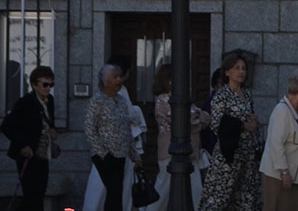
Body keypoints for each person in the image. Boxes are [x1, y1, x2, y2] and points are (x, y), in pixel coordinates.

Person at [199, 53, 261, 211]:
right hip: (229, 155)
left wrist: (254, 121)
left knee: (246, 198)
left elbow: (249, 117)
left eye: (243, 68)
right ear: (227, 72)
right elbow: (216, 124)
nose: (241, 72)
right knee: (219, 198)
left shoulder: (246, 94)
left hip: (247, 154)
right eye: (237, 68)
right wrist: (242, 125)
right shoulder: (222, 96)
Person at [144, 63, 210, 211]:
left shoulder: (186, 100)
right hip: (170, 153)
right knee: (162, 193)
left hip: (191, 153)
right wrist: (195, 117)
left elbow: (205, 118)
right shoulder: (162, 100)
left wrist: (195, 117)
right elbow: (183, 119)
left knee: (197, 193)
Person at [82, 55, 143, 211]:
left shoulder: (121, 100)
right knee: (113, 189)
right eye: (115, 77)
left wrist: (134, 155)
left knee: (116, 192)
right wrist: (102, 153)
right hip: (105, 155)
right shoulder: (97, 101)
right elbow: (90, 128)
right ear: (105, 81)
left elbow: (126, 129)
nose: (119, 80)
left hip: (121, 154)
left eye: (119, 76)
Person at [1, 65, 58, 211]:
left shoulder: (50, 101)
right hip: (28, 155)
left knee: (39, 192)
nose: (48, 88)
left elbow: (48, 121)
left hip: (43, 154)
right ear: (34, 85)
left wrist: (52, 129)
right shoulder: (25, 102)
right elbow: (7, 126)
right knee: (32, 195)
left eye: (51, 85)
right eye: (45, 84)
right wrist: (23, 145)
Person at [260, 70, 298, 211]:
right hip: (278, 176)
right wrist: (284, 172)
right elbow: (276, 144)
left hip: (297, 176)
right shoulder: (281, 111)